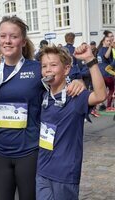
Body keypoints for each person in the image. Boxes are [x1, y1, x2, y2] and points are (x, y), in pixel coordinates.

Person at [0, 16, 85, 200]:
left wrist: (78, 82)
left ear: (23, 41)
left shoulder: (36, 69)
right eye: (3, 36)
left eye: (13, 37)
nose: (7, 41)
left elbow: (61, 79)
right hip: (1, 153)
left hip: (29, 152)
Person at [36, 44, 107, 200]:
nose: (48, 69)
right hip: (42, 171)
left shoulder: (76, 96)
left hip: (65, 174)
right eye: (44, 66)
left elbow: (101, 95)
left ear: (66, 69)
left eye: (53, 65)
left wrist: (90, 60)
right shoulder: (43, 97)